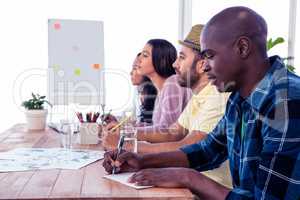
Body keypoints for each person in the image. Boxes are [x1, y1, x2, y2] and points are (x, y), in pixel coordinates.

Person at [102, 6, 300, 199]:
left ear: (243, 48)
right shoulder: (240, 97)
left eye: (210, 56)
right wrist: (141, 161)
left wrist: (187, 177)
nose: (205, 68)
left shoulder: (286, 103)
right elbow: (207, 150)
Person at [102, 39, 192, 147]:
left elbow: (165, 133)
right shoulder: (163, 90)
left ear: (161, 60)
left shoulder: (172, 83)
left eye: (145, 55)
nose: (138, 59)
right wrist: (123, 126)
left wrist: (124, 131)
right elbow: (156, 127)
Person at [130, 52, 157, 124]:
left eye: (135, 68)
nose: (130, 72)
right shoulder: (138, 92)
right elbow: (139, 123)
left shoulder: (157, 94)